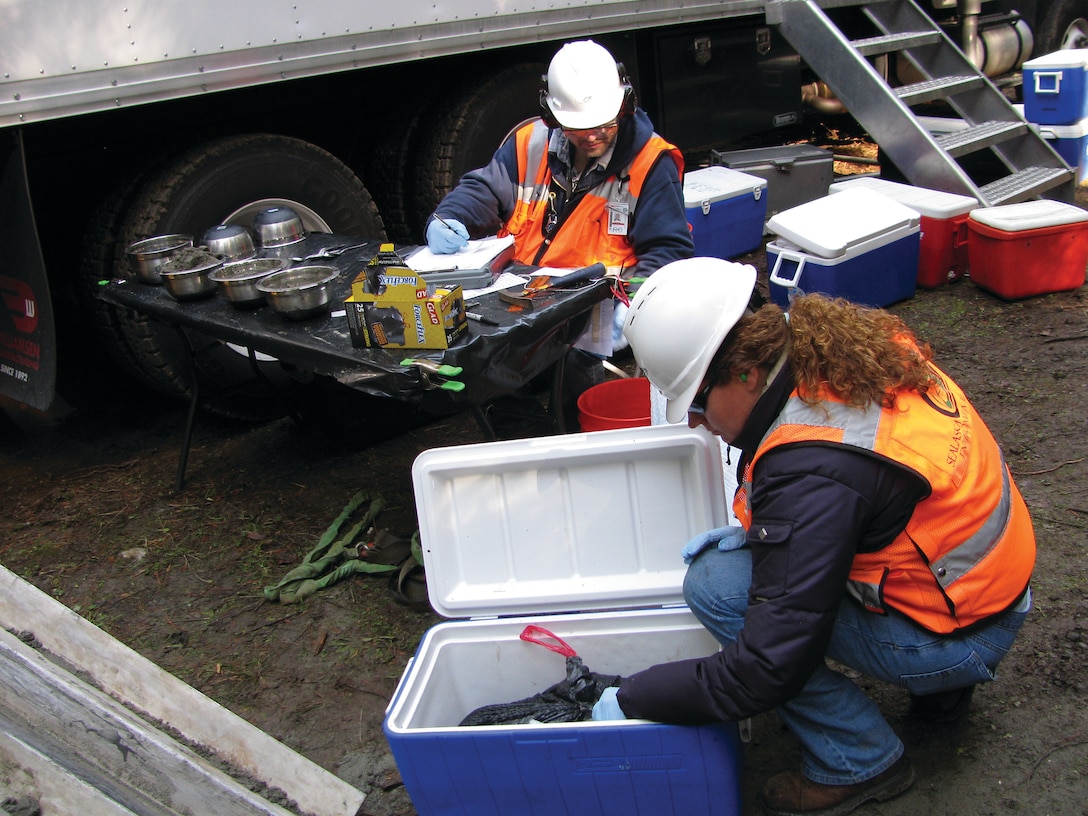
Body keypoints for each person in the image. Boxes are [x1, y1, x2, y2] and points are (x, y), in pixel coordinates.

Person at [592, 257, 1036, 816]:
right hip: (986, 588)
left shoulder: (813, 466)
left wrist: (633, 697)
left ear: (747, 373)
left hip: (964, 632)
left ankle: (858, 759)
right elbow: (858, 510)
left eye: (699, 403)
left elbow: (764, 669)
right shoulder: (837, 350)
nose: (695, 423)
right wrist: (760, 535)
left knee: (716, 587)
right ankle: (940, 692)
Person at [425, 39, 694, 362]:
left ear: (624, 105)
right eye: (579, 128)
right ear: (551, 115)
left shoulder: (651, 164)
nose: (593, 135)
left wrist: (630, 310)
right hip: (521, 302)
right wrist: (448, 217)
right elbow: (482, 191)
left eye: (604, 124)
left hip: (591, 317)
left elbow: (668, 254)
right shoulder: (529, 142)